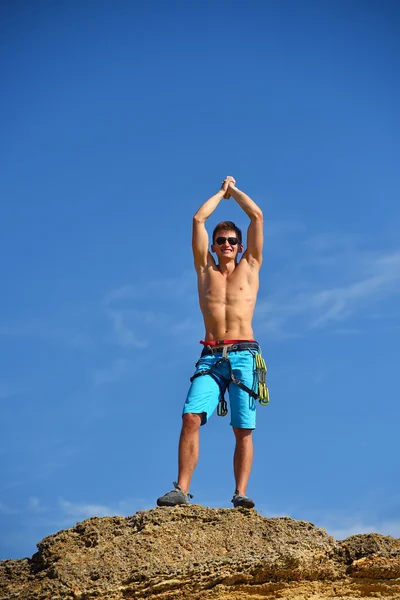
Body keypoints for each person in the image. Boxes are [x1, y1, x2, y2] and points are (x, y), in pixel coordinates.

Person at [157, 176, 265, 509]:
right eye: (221, 241)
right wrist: (220, 193)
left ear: (241, 245)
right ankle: (181, 490)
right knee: (190, 416)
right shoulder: (205, 270)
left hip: (245, 355)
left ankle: (240, 493)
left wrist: (235, 192)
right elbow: (198, 220)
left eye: (233, 240)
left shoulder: (251, 266)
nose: (227, 245)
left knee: (242, 429)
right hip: (211, 356)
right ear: (214, 245)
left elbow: (257, 217)